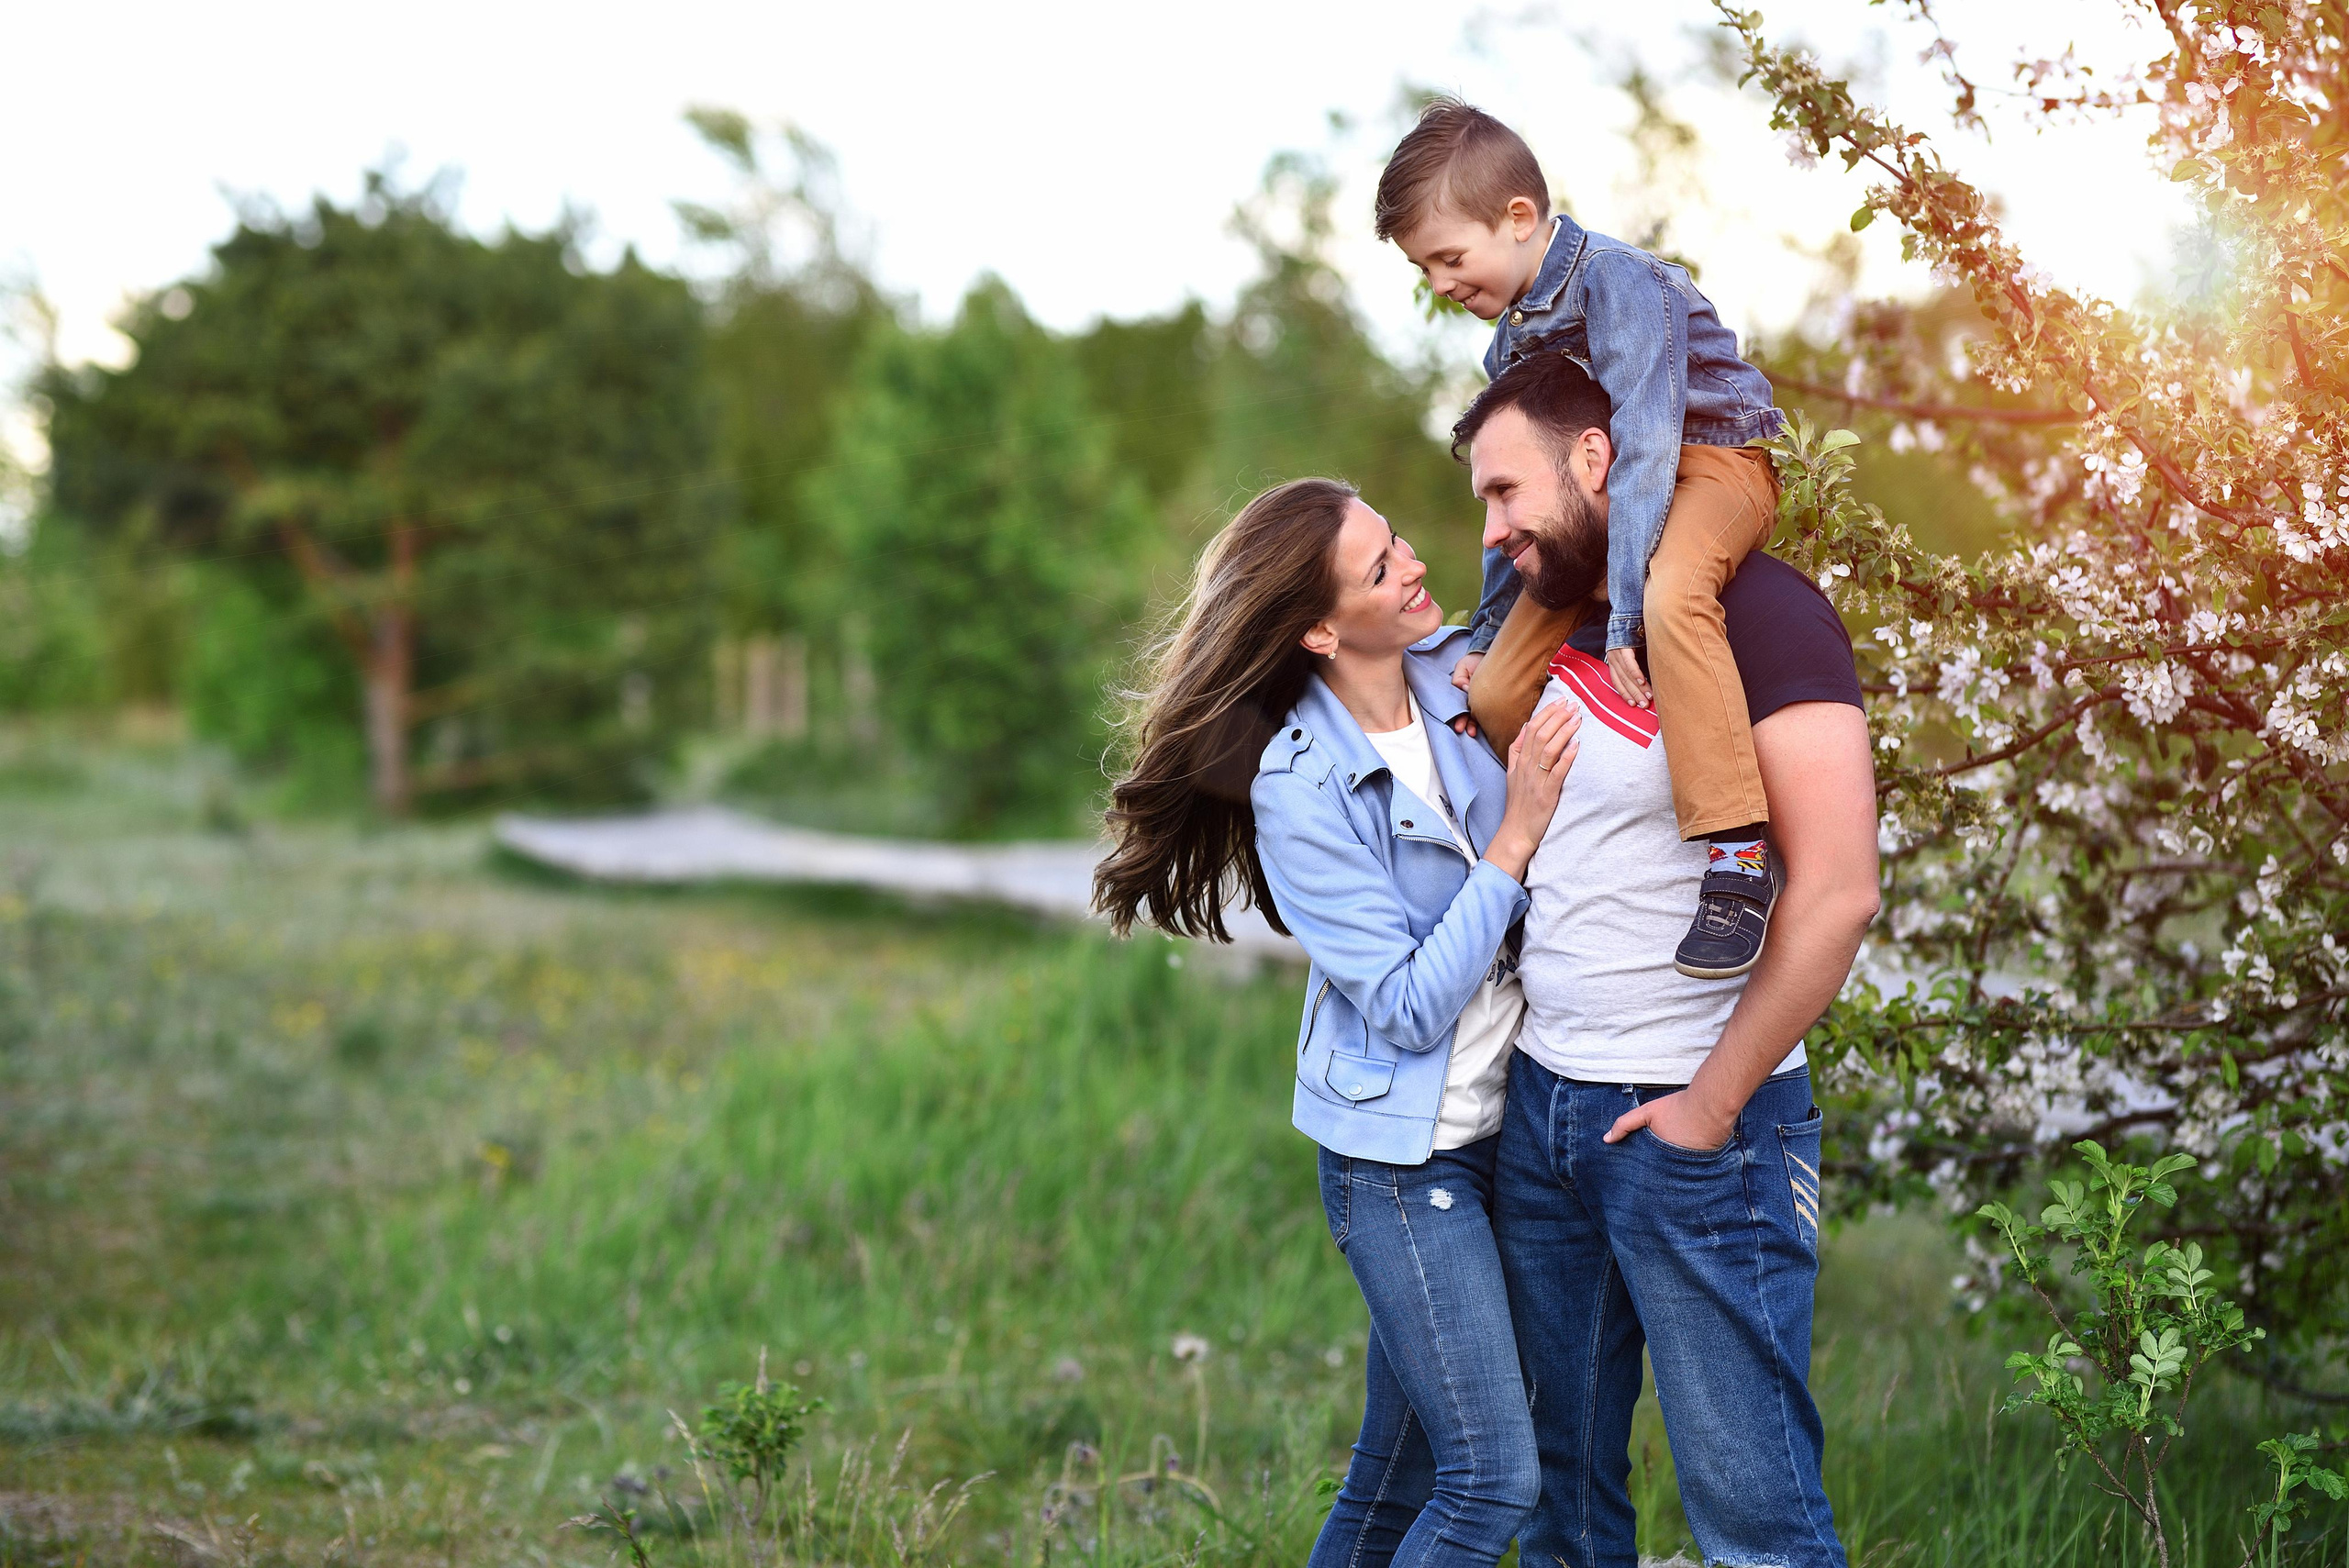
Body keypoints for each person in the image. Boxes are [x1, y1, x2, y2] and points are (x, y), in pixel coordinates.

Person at [1093, 477, 1583, 1568]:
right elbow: (1407, 1005)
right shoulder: (1296, 787)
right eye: (1379, 567)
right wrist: (1513, 844)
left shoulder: (1460, 674)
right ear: (1319, 626)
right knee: (1492, 1479)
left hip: (1516, 1129)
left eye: (1396, 538)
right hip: (1406, 1165)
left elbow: (1566, 610)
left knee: (1394, 1471)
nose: (1413, 562)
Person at [1453, 350, 1880, 1568]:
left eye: (1504, 492)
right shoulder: (1557, 632)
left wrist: (1712, 1102)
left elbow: (1839, 890)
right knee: (1560, 1502)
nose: (1492, 531)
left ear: (1597, 459)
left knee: (1755, 1517)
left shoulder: (1760, 612)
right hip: (1542, 1115)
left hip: (1699, 1129)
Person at [1375, 97, 1789, 980]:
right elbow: (1518, 504)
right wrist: (1485, 636)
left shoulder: (1619, 281)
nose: (1441, 284)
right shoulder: (1507, 351)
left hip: (1710, 463)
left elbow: (1645, 442)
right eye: (1426, 269)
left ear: (1519, 219)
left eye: (1450, 258)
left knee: (1678, 593)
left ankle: (1738, 858)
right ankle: (1552, 854)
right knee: (1492, 690)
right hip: (1601, 498)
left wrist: (1627, 611)